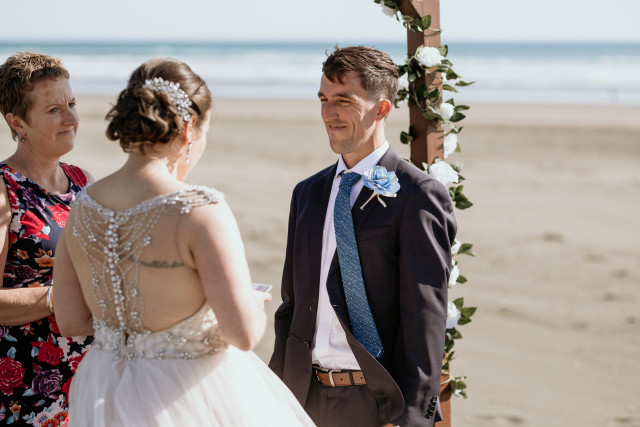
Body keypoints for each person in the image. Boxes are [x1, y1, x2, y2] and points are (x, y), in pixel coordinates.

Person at [51, 57, 315, 426]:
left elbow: (71, 319)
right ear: (190, 127)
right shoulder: (199, 209)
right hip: (186, 394)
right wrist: (252, 302)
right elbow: (242, 334)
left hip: (106, 389)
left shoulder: (82, 205)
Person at [269, 46, 457, 426]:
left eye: (343, 101)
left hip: (377, 404)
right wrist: (276, 395)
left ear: (381, 109)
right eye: (323, 100)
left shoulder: (418, 195)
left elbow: (425, 321)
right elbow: (293, 305)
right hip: (302, 400)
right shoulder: (307, 194)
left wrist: (410, 420)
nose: (328, 114)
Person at [0, 51, 93, 426]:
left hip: (89, 377)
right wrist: (60, 297)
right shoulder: (4, 190)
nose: (71, 118)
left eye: (72, 104)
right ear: (17, 122)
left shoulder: (84, 182)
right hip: (26, 390)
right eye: (54, 110)